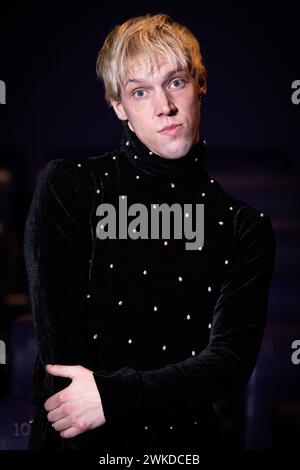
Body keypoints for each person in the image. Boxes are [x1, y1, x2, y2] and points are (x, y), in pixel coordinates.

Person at [23, 13, 276, 452]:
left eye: (175, 82)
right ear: (120, 106)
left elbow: (227, 365)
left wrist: (114, 396)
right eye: (141, 91)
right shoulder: (71, 186)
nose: (165, 106)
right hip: (82, 443)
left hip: (188, 448)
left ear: (199, 84)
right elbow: (63, 369)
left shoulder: (244, 227)